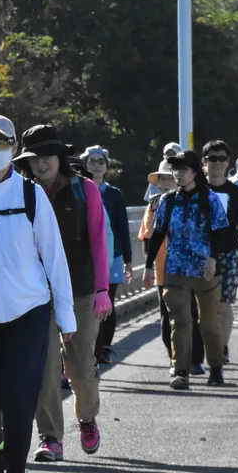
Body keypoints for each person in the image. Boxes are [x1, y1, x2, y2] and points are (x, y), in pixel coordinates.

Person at [0, 114, 74, 473]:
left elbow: (54, 257)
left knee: (18, 398)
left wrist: (66, 318)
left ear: (14, 148)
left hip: (28, 312)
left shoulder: (31, 196)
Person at [17, 125, 112, 461]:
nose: (41, 164)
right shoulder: (20, 192)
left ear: (60, 157)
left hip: (81, 291)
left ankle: (87, 417)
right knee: (44, 368)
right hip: (36, 295)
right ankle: (51, 438)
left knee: (82, 368)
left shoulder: (84, 189)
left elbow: (99, 240)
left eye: (47, 157)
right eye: (33, 158)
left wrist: (103, 287)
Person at [143, 150, 232, 390]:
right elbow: (158, 233)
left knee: (209, 323)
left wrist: (213, 259)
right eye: (175, 170)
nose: (177, 174)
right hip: (175, 269)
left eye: (183, 169)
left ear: (195, 172)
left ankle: (215, 367)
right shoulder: (167, 200)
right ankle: (181, 371)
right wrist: (149, 265)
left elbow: (222, 233)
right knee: (179, 321)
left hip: (206, 270)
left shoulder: (210, 199)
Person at [139, 160, 204, 374]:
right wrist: (147, 266)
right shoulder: (155, 204)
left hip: (192, 268)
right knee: (168, 318)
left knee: (192, 315)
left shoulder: (198, 199)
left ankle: (195, 360)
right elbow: (148, 237)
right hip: (163, 269)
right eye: (163, 178)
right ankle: (175, 360)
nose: (167, 181)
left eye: (170, 176)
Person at [81, 145, 132, 365]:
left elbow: (122, 227)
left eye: (100, 161)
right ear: (84, 164)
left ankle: (104, 348)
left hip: (113, 255)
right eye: (91, 161)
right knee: (87, 304)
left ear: (107, 166)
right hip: (85, 256)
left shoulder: (114, 194)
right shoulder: (79, 189)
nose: (96, 165)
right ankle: (89, 348)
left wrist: (129, 261)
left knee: (107, 303)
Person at [203, 140, 238, 361]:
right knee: (203, 306)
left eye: (222, 159)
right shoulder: (196, 190)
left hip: (230, 252)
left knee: (224, 304)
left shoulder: (236, 192)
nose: (217, 163)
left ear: (228, 162)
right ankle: (204, 348)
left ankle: (221, 348)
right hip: (200, 254)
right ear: (204, 161)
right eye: (212, 159)